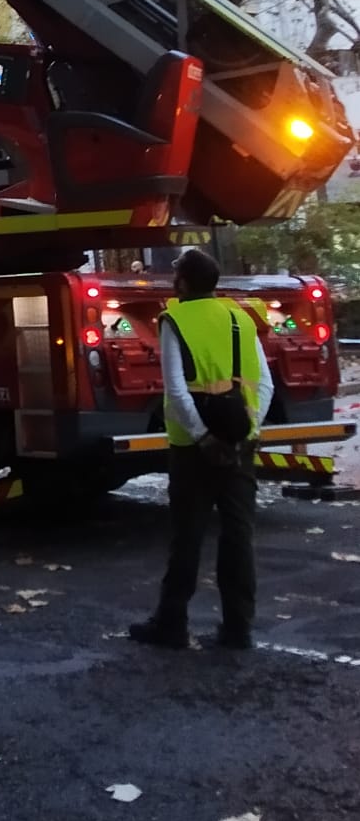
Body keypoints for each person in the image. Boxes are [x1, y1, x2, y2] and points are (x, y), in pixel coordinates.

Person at [129, 247, 273, 652]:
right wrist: (247, 431)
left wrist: (202, 438)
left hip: (194, 450)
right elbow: (265, 383)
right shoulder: (239, 317)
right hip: (241, 442)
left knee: (187, 536)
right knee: (238, 535)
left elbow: (176, 392)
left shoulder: (174, 320)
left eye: (176, 272)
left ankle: (171, 625)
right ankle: (238, 629)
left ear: (184, 282)